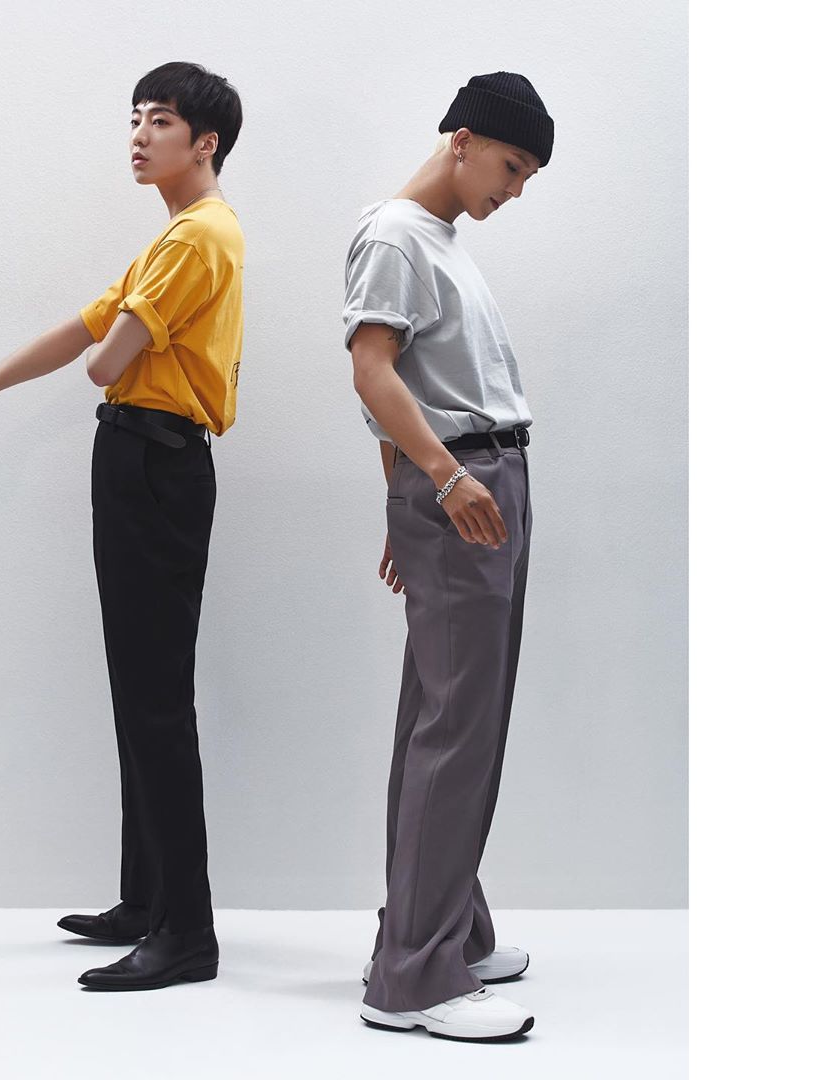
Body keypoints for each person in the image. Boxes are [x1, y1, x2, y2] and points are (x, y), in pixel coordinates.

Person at [0, 61, 244, 992]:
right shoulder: (176, 237)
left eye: (161, 120)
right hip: (144, 460)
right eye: (135, 118)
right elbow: (83, 332)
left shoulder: (200, 236)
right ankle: (148, 900)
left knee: (155, 697)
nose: (139, 135)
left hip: (156, 462)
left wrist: (116, 344)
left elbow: (104, 362)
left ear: (205, 143)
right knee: (138, 689)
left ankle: (187, 932)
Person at [341, 72, 553, 1041]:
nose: (516, 190)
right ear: (461, 140)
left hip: (477, 482)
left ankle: (437, 933)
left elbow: (405, 378)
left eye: (529, 176)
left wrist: (409, 499)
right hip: (465, 484)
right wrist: (440, 479)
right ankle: (415, 979)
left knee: (453, 716)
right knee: (455, 726)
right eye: (511, 166)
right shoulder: (396, 235)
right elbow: (372, 372)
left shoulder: (438, 241)